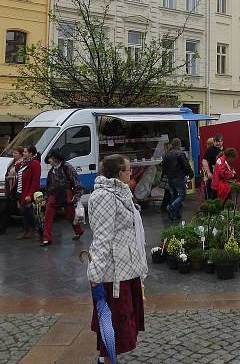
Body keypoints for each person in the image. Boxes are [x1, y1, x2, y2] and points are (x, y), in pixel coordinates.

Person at [87, 154, 147, 363]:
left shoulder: (120, 192)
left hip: (125, 267)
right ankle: (105, 359)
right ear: (118, 173)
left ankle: (108, 358)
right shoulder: (105, 196)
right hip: (112, 271)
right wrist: (95, 273)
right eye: (128, 169)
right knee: (110, 319)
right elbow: (102, 237)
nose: (131, 172)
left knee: (119, 319)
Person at [42, 149, 84, 246]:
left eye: (50, 159)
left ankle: (78, 231)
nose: (49, 161)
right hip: (53, 196)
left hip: (65, 194)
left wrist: (77, 195)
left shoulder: (67, 167)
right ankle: (46, 238)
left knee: (71, 215)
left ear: (55, 158)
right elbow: (48, 186)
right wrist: (46, 198)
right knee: (48, 216)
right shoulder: (51, 171)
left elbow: (76, 181)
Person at [161, 138, 192, 221]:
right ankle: (171, 208)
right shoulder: (180, 154)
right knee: (182, 195)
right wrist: (190, 174)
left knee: (174, 195)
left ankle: (176, 215)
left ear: (172, 144)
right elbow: (186, 165)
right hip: (179, 177)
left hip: (170, 178)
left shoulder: (166, 155)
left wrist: (163, 176)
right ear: (179, 144)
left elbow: (163, 168)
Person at [0, 147, 22, 235]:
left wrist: (11, 177)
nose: (14, 155)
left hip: (16, 188)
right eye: (13, 153)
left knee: (20, 209)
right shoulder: (13, 162)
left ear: (21, 154)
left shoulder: (21, 163)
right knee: (6, 209)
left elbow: (20, 176)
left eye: (16, 153)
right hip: (10, 188)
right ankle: (1, 228)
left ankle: (29, 228)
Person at [16, 145, 41, 239]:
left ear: (30, 153)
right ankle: (26, 229)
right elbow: (17, 169)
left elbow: (35, 180)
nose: (23, 153)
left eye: (25, 152)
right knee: (23, 211)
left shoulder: (35, 163)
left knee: (28, 211)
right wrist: (20, 162)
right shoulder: (24, 163)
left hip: (27, 192)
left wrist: (30, 194)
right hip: (20, 191)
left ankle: (33, 229)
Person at [201, 135, 222, 200]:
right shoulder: (210, 151)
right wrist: (208, 173)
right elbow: (204, 161)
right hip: (211, 177)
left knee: (210, 193)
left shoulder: (210, 151)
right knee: (211, 193)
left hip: (211, 176)